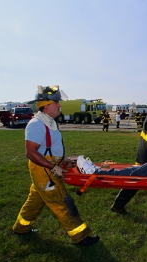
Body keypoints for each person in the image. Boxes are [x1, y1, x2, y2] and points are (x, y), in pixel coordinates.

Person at [12, 85, 99, 247]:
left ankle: (20, 228)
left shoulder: (50, 122)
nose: (60, 106)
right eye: (56, 102)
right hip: (44, 170)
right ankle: (80, 236)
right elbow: (31, 152)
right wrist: (52, 167)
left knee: (35, 200)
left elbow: (48, 148)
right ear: (46, 105)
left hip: (48, 167)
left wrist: (63, 159)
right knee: (62, 201)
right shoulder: (36, 124)